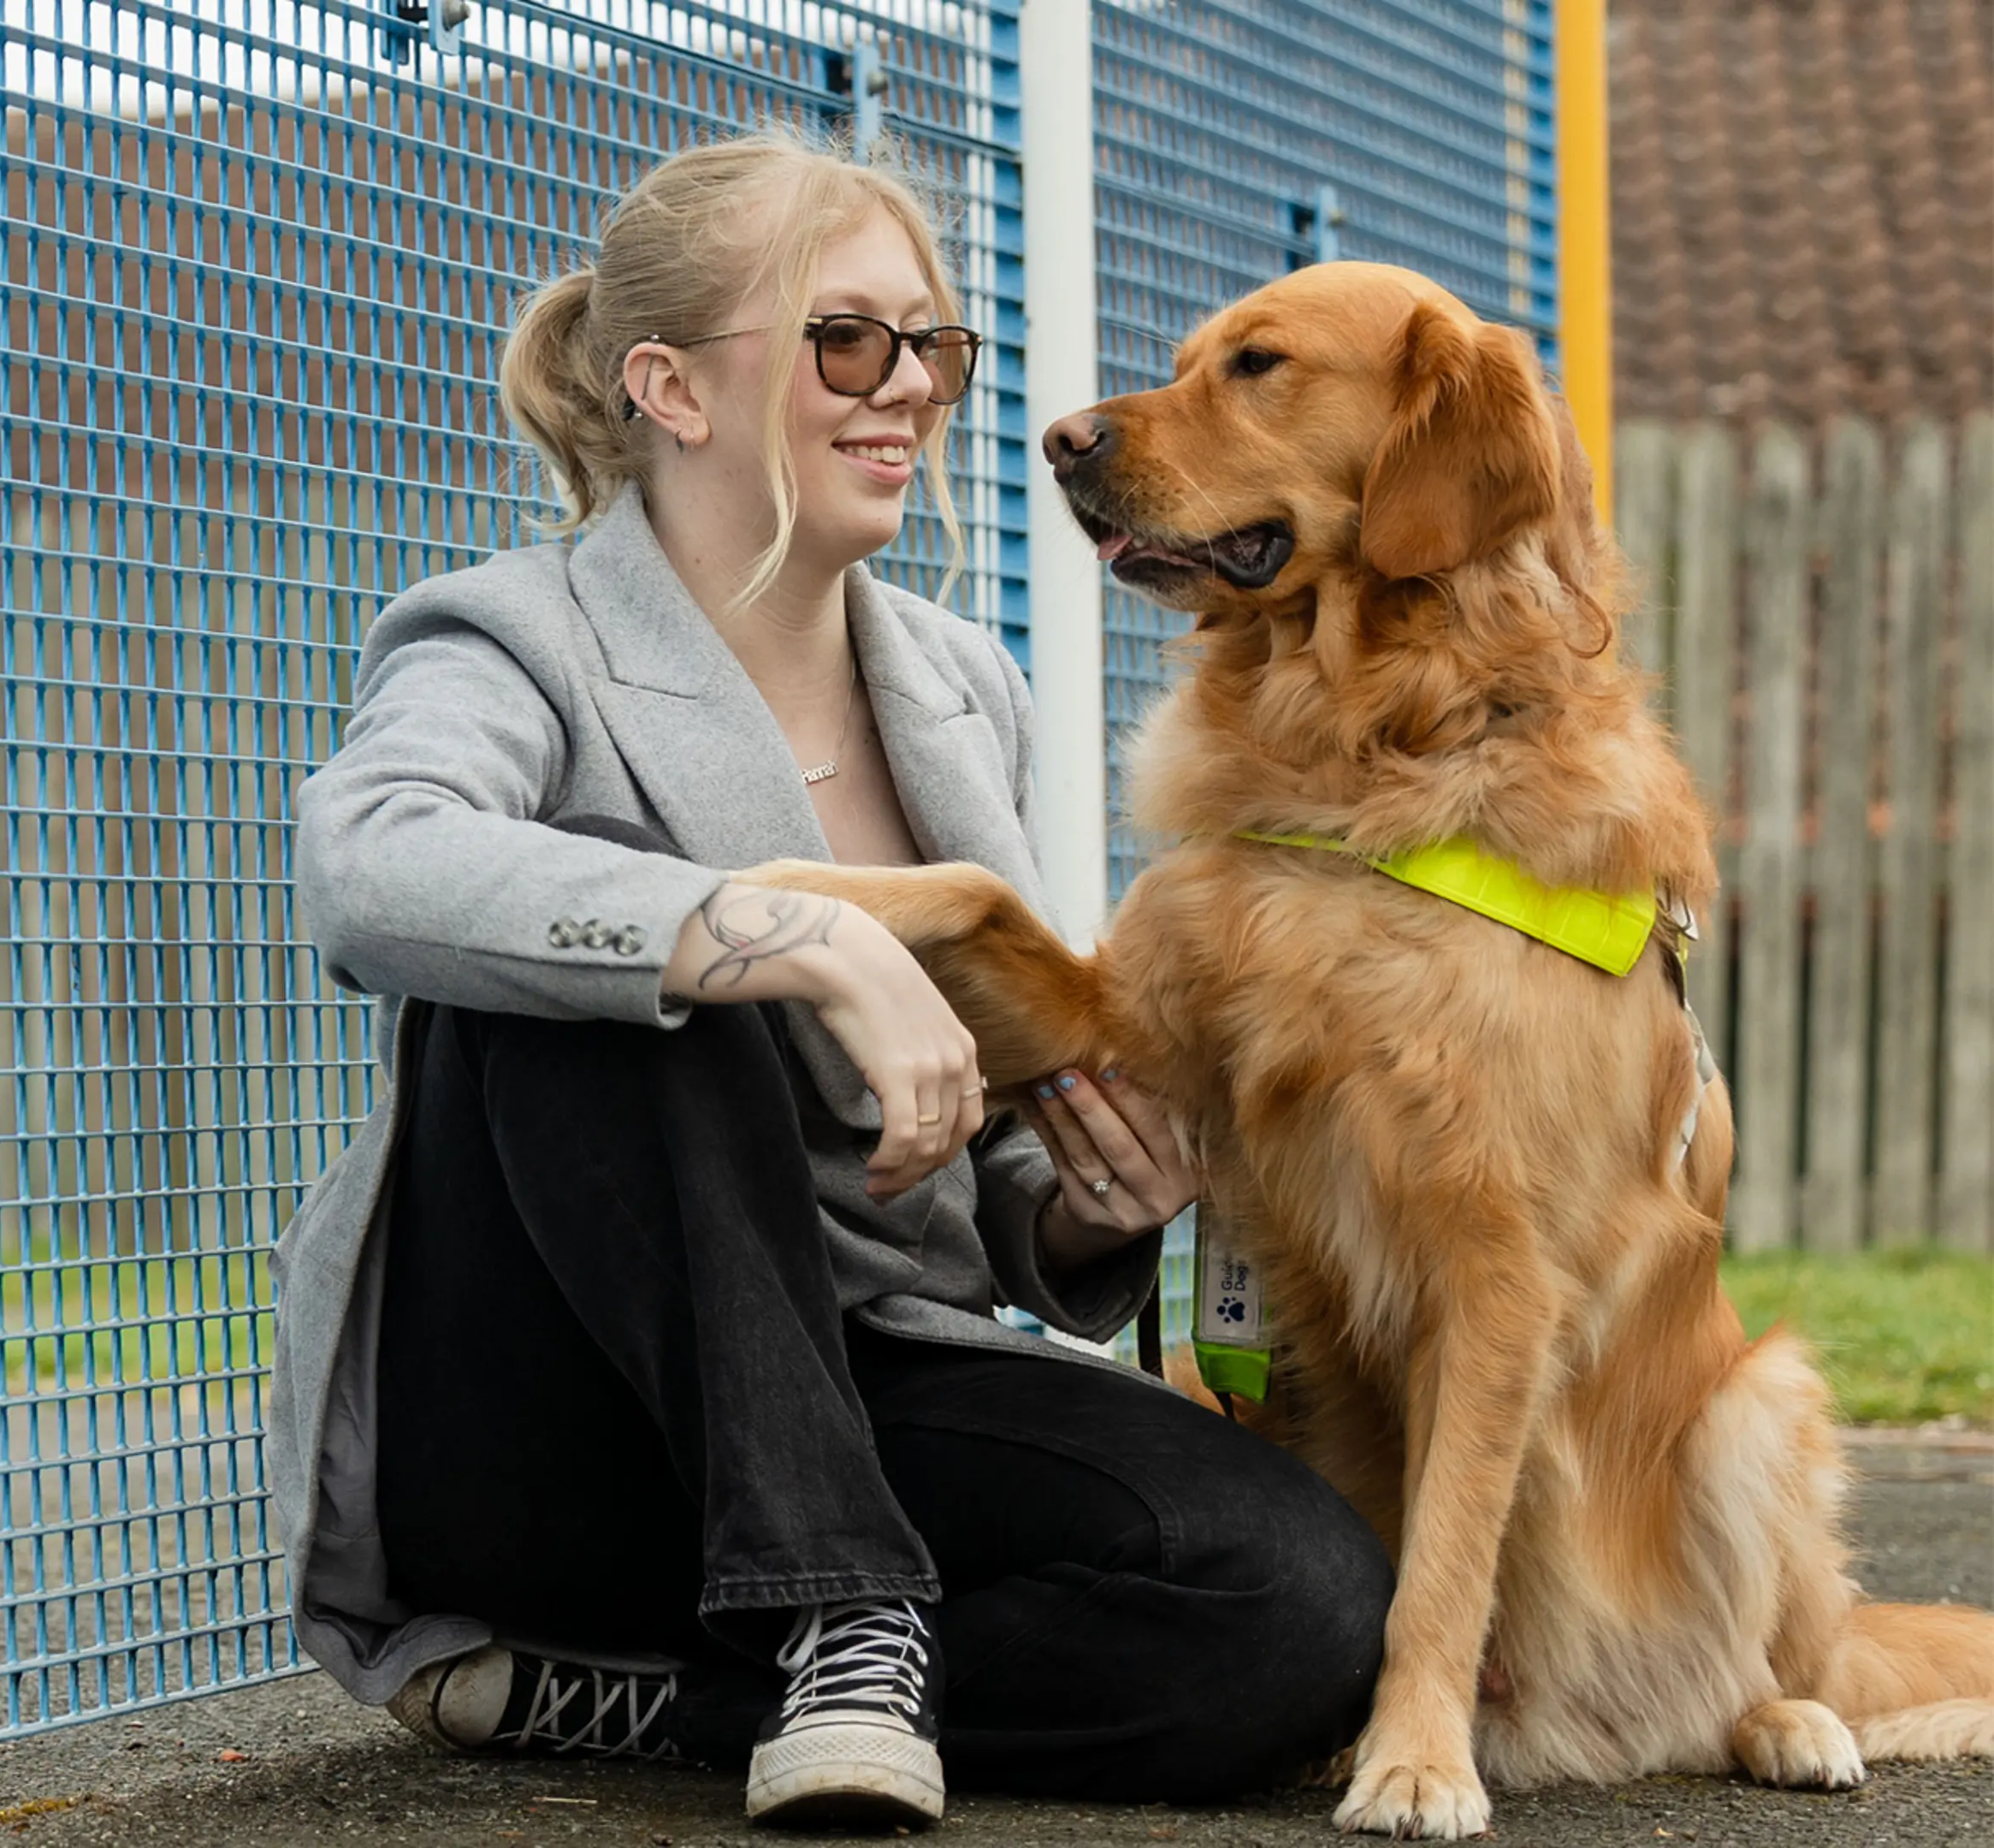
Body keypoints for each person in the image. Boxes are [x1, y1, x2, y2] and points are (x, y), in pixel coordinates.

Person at [265, 128, 1395, 1831]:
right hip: (556, 1417)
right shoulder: (509, 635)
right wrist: (798, 933)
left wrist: (1097, 1204)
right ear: (671, 386)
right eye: (845, 340)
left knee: (1301, 1606)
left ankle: (688, 1699)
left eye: (933, 345)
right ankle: (838, 1606)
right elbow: (370, 864)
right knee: (634, 942)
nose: (911, 390)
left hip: (881, 1383)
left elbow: (1002, 1167)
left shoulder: (963, 686)